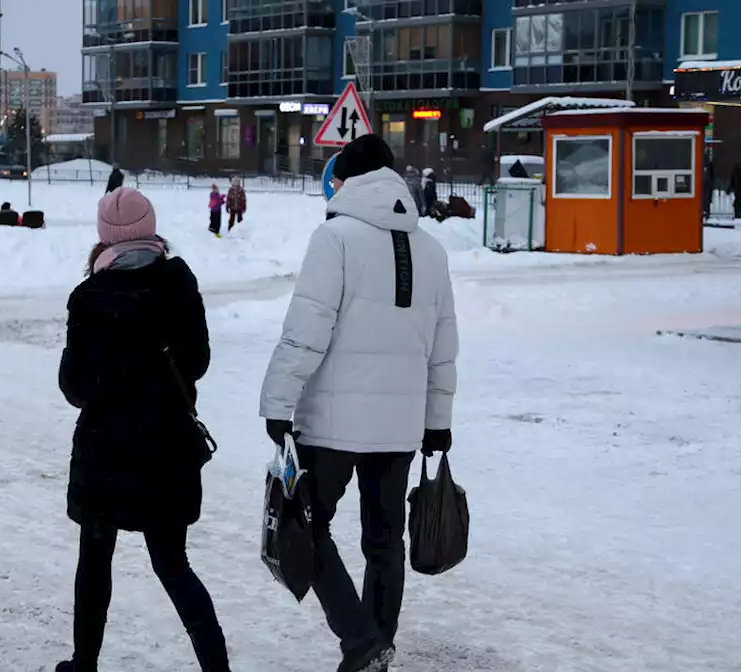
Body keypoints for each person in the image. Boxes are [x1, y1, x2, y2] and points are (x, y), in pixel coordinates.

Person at [259, 135, 459, 672]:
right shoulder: (434, 251)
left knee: (307, 526)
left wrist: (279, 402)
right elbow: (443, 350)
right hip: (398, 428)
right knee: (384, 539)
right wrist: (436, 423)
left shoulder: (335, 238)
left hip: (333, 425)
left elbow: (305, 331)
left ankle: (360, 640)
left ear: (347, 181)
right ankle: (378, 646)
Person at [56, 187, 231, 672]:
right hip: (167, 447)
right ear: (151, 229)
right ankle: (217, 668)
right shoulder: (178, 283)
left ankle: (83, 664)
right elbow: (197, 363)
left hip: (105, 451)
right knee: (174, 566)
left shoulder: (89, 297)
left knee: (94, 562)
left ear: (103, 237)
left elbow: (74, 385)